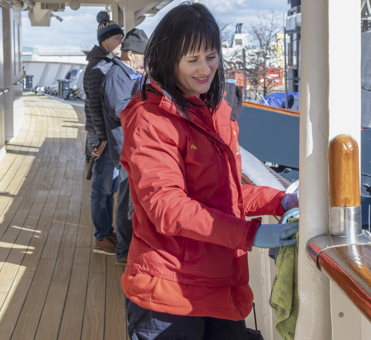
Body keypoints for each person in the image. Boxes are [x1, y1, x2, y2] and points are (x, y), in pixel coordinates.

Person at [119, 3, 299, 339]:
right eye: (193, 60)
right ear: (168, 60)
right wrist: (250, 234)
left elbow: (221, 192)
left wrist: (279, 200)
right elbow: (167, 206)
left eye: (211, 56)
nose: (206, 69)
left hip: (219, 286)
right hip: (169, 291)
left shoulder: (213, 111)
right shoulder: (151, 119)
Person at [100, 28, 148, 265]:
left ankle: (126, 247)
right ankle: (123, 250)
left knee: (130, 198)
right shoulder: (115, 76)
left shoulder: (128, 72)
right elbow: (121, 111)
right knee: (126, 199)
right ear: (130, 54)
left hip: (133, 146)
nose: (145, 59)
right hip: (126, 148)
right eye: (143, 55)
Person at [84, 11, 123, 255]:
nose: (120, 42)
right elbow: (95, 106)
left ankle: (107, 233)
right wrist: (101, 137)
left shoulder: (106, 63)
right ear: (105, 41)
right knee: (102, 188)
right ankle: (101, 238)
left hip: (107, 134)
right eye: (117, 38)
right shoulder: (97, 67)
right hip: (103, 135)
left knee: (109, 186)